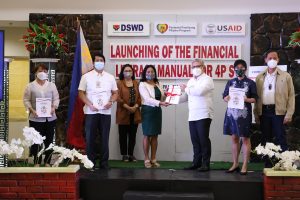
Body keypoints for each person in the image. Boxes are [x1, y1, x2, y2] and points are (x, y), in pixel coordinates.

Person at [78, 54, 118, 169]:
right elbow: (81, 92)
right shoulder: (86, 76)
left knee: (105, 138)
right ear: (93, 63)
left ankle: (104, 163)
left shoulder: (110, 77)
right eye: (97, 60)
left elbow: (115, 92)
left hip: (105, 112)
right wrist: (89, 104)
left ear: (104, 63)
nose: (99, 62)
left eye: (101, 60)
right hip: (91, 112)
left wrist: (111, 101)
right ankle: (90, 163)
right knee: (90, 138)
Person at [254, 50, 295, 156]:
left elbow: (291, 96)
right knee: (265, 138)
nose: (272, 60)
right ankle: (268, 164)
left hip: (279, 112)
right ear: (265, 60)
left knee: (280, 137)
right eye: (270, 58)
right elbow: (256, 97)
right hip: (264, 111)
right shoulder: (259, 77)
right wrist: (256, 114)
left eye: (275, 58)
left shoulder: (286, 76)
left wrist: (289, 113)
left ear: (278, 60)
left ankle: (285, 162)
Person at [223, 59, 258, 175]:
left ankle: (245, 165)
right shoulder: (230, 82)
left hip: (244, 115)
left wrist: (246, 99)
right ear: (234, 69)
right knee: (234, 138)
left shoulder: (251, 83)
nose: (239, 70)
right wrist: (226, 98)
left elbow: (255, 98)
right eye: (237, 68)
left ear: (245, 69)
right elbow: (224, 96)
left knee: (245, 139)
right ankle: (235, 163)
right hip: (231, 114)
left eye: (242, 68)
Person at [180, 59, 214, 172]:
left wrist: (186, 89)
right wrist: (171, 99)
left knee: (203, 139)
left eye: (198, 66)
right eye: (193, 66)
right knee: (195, 140)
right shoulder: (190, 81)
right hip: (192, 115)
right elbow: (186, 97)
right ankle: (196, 162)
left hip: (204, 114)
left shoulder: (207, 79)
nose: (196, 68)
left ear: (203, 67)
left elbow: (199, 92)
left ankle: (206, 163)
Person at [23, 63, 60, 167]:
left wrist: (53, 108)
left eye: (44, 71)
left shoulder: (52, 85)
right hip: (35, 118)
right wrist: (32, 110)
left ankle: (48, 161)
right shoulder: (30, 86)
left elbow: (56, 98)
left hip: (50, 118)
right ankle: (37, 162)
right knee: (36, 141)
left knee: (49, 140)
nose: (42, 73)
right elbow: (26, 100)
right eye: (40, 71)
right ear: (35, 73)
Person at [139, 65, 169, 168]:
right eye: (148, 72)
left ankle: (153, 158)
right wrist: (160, 103)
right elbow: (147, 99)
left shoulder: (158, 83)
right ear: (144, 73)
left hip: (157, 111)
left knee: (155, 135)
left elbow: (162, 96)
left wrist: (169, 95)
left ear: (155, 73)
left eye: (152, 72)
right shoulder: (142, 84)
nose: (150, 74)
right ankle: (146, 159)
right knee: (147, 135)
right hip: (147, 111)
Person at [116, 64, 141, 162]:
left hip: (135, 113)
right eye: (126, 70)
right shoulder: (119, 83)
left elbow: (140, 97)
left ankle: (131, 154)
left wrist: (135, 107)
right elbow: (117, 97)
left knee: (132, 135)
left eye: (130, 70)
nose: (128, 72)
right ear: (122, 72)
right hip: (123, 112)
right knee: (122, 135)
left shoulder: (136, 83)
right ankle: (124, 155)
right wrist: (127, 107)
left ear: (133, 72)